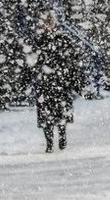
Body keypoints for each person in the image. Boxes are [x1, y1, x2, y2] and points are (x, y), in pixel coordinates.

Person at [34, 14, 82, 153]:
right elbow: (33, 61)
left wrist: (73, 79)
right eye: (46, 23)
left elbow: (72, 60)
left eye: (50, 23)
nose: (48, 26)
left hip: (60, 81)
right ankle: (49, 143)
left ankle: (62, 136)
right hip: (45, 83)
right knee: (45, 115)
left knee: (60, 113)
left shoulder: (63, 39)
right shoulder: (39, 40)